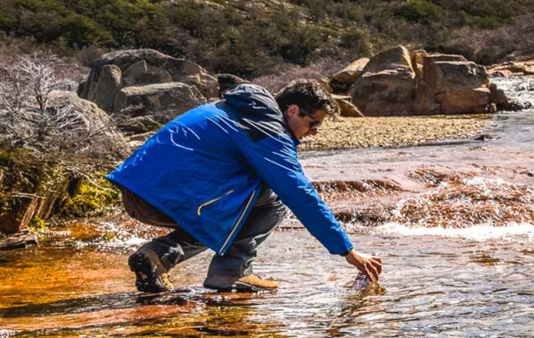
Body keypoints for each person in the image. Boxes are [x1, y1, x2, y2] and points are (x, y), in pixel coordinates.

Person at [108, 79, 383, 294]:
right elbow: (300, 194)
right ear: (293, 110)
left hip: (135, 190)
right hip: (166, 197)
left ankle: (157, 257)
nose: (313, 133)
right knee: (273, 197)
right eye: (313, 124)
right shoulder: (268, 130)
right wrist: (347, 251)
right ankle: (231, 272)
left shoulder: (238, 108)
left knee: (241, 192)